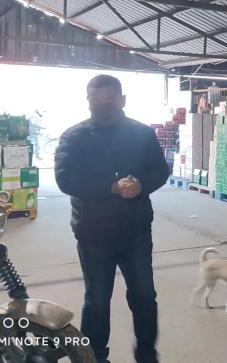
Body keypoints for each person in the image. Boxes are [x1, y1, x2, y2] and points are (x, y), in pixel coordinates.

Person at [54, 75, 169, 363]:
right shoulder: (73, 136)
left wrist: (141, 185)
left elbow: (159, 170)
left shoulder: (142, 133)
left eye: (110, 99)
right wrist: (111, 187)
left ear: (122, 100)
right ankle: (93, 357)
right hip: (94, 233)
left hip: (135, 231)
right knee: (97, 301)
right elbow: (66, 179)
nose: (103, 104)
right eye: (96, 99)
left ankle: (147, 355)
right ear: (88, 101)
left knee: (144, 296)